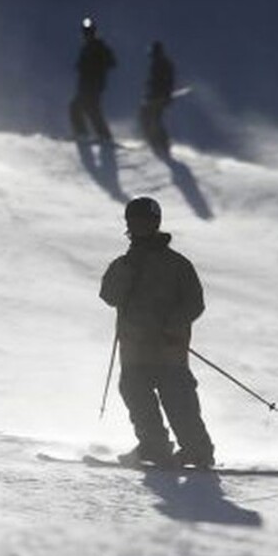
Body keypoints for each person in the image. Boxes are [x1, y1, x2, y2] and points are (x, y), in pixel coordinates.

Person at [99, 197, 214, 468]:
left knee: (178, 399)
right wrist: (127, 269)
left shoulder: (177, 265)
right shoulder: (123, 263)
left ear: (155, 223)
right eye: (133, 221)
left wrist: (172, 326)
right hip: (134, 348)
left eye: (144, 221)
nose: (138, 226)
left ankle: (197, 450)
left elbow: (194, 303)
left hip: (168, 347)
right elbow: (108, 295)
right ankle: (154, 446)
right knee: (135, 393)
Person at [70, 17, 117, 144]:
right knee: (88, 108)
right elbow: (82, 66)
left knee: (84, 108)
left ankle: (92, 135)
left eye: (88, 32)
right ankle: (100, 135)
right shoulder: (87, 47)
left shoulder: (98, 46)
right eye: (85, 32)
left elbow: (111, 61)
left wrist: (96, 67)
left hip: (93, 85)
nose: (86, 35)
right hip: (86, 85)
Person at [139, 40, 175, 158]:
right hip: (155, 96)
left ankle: (161, 145)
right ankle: (155, 142)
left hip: (159, 97)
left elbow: (166, 81)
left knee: (153, 119)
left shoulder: (162, 63)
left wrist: (165, 94)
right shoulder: (158, 63)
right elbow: (154, 81)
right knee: (148, 117)